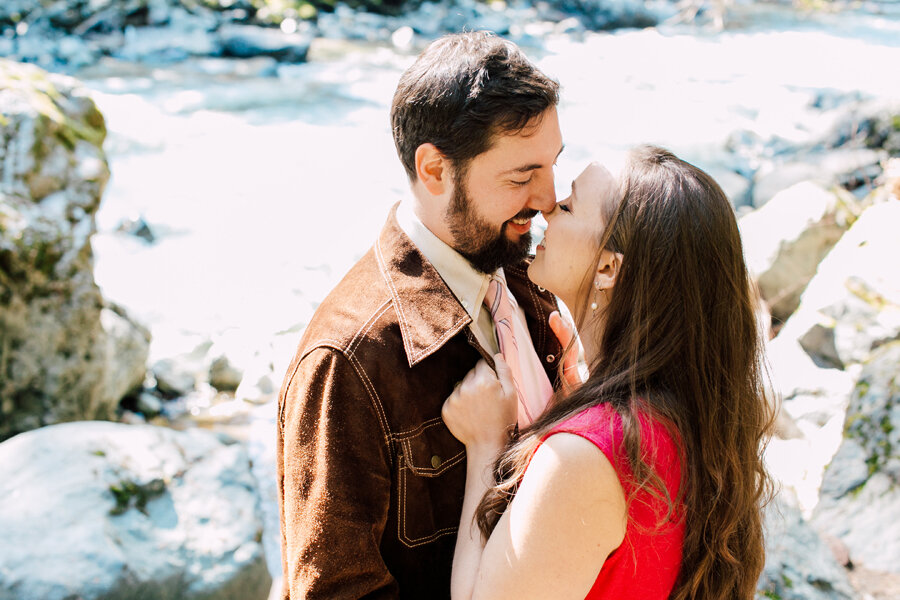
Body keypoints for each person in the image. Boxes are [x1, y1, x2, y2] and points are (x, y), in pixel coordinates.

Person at [276, 32, 567, 599]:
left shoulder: (530, 277)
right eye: (521, 176)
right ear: (433, 170)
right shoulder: (349, 362)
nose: (550, 199)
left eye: (553, 165)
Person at [442, 146, 775, 599]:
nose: (547, 207)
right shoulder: (686, 415)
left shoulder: (585, 458)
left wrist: (485, 444)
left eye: (570, 205)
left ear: (607, 267)